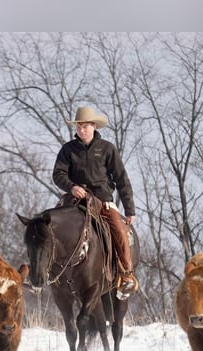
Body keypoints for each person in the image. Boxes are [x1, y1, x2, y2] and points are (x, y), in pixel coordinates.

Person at [52, 106, 139, 297]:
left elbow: (121, 178)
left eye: (85, 126)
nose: (81, 130)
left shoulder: (107, 149)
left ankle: (126, 275)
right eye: (79, 127)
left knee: (119, 229)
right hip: (75, 199)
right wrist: (71, 186)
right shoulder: (68, 150)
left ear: (93, 126)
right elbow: (58, 174)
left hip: (102, 200)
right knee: (49, 225)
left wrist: (129, 208)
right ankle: (48, 272)